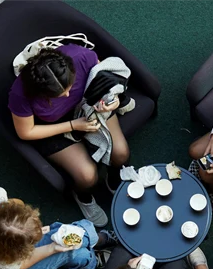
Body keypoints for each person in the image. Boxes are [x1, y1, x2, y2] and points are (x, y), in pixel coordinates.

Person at [9, 46, 131, 227]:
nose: (67, 95)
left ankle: (113, 180)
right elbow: (26, 132)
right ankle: (83, 196)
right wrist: (73, 125)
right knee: (87, 176)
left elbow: (104, 81)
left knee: (121, 154)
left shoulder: (83, 57)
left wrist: (112, 102)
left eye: (70, 87)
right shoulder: (21, 93)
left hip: (87, 107)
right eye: (59, 95)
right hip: (51, 127)